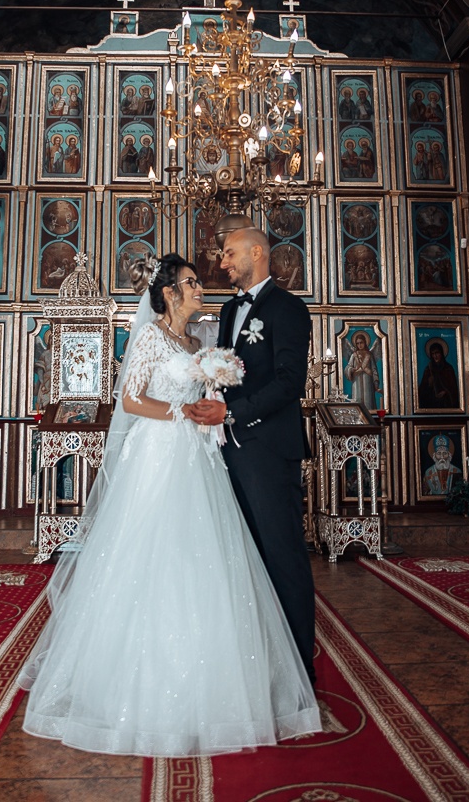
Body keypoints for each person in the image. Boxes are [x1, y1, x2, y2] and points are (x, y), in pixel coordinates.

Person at [18, 252, 320, 756]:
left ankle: (217, 677)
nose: (201, 288)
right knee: (155, 554)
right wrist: (182, 412)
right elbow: (131, 399)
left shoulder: (196, 343)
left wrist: (214, 398)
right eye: (192, 282)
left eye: (199, 281)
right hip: (159, 457)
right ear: (169, 292)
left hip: (201, 456)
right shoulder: (152, 337)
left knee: (207, 558)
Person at [194, 228, 317, 688]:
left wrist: (232, 413)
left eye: (229, 253)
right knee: (245, 560)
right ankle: (260, 662)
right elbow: (230, 372)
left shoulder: (289, 308)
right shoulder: (229, 310)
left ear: (257, 253)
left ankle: (300, 671)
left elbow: (289, 382)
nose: (223, 262)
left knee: (283, 558)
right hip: (230, 451)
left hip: (269, 451)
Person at [418, 340, 459, 408]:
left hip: (445, 402)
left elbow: (454, 390)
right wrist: (428, 384)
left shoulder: (448, 368)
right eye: (433, 354)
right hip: (432, 403)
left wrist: (445, 392)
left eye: (437, 353)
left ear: (441, 353)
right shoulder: (428, 369)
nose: (435, 356)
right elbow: (421, 391)